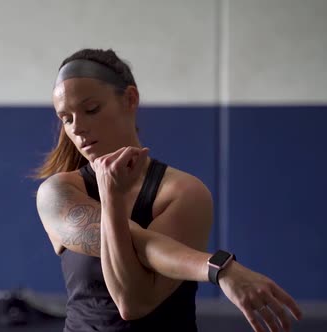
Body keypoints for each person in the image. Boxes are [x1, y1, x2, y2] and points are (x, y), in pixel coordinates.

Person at [34, 48, 303, 332]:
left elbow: (135, 300)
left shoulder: (183, 192)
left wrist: (219, 268)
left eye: (91, 110)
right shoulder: (57, 193)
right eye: (66, 118)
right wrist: (220, 269)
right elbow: (139, 257)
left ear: (130, 99)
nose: (78, 128)